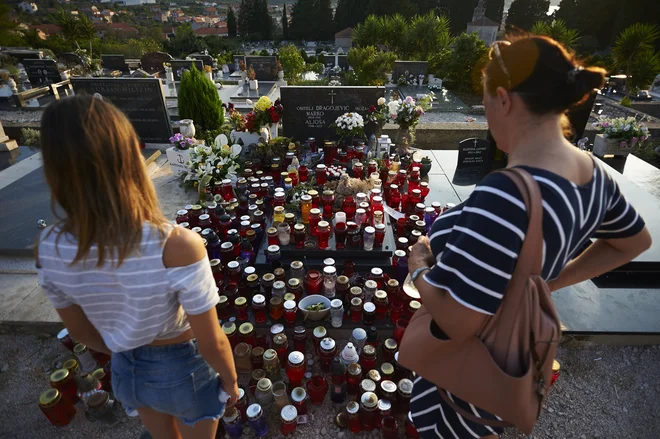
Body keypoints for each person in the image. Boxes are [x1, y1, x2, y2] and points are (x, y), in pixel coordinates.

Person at [406, 36, 652, 439]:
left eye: (485, 101)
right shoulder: (593, 175)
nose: (485, 112)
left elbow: (457, 323)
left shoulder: (504, 196)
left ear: (504, 99)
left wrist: (418, 267)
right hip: (509, 363)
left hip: (463, 385)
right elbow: (634, 242)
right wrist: (549, 282)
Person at [36, 95, 239, 439]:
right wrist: (232, 383)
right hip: (183, 369)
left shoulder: (49, 248)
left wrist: (126, 345)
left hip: (125, 368)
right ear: (128, 158)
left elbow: (81, 332)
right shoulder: (174, 245)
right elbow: (212, 341)